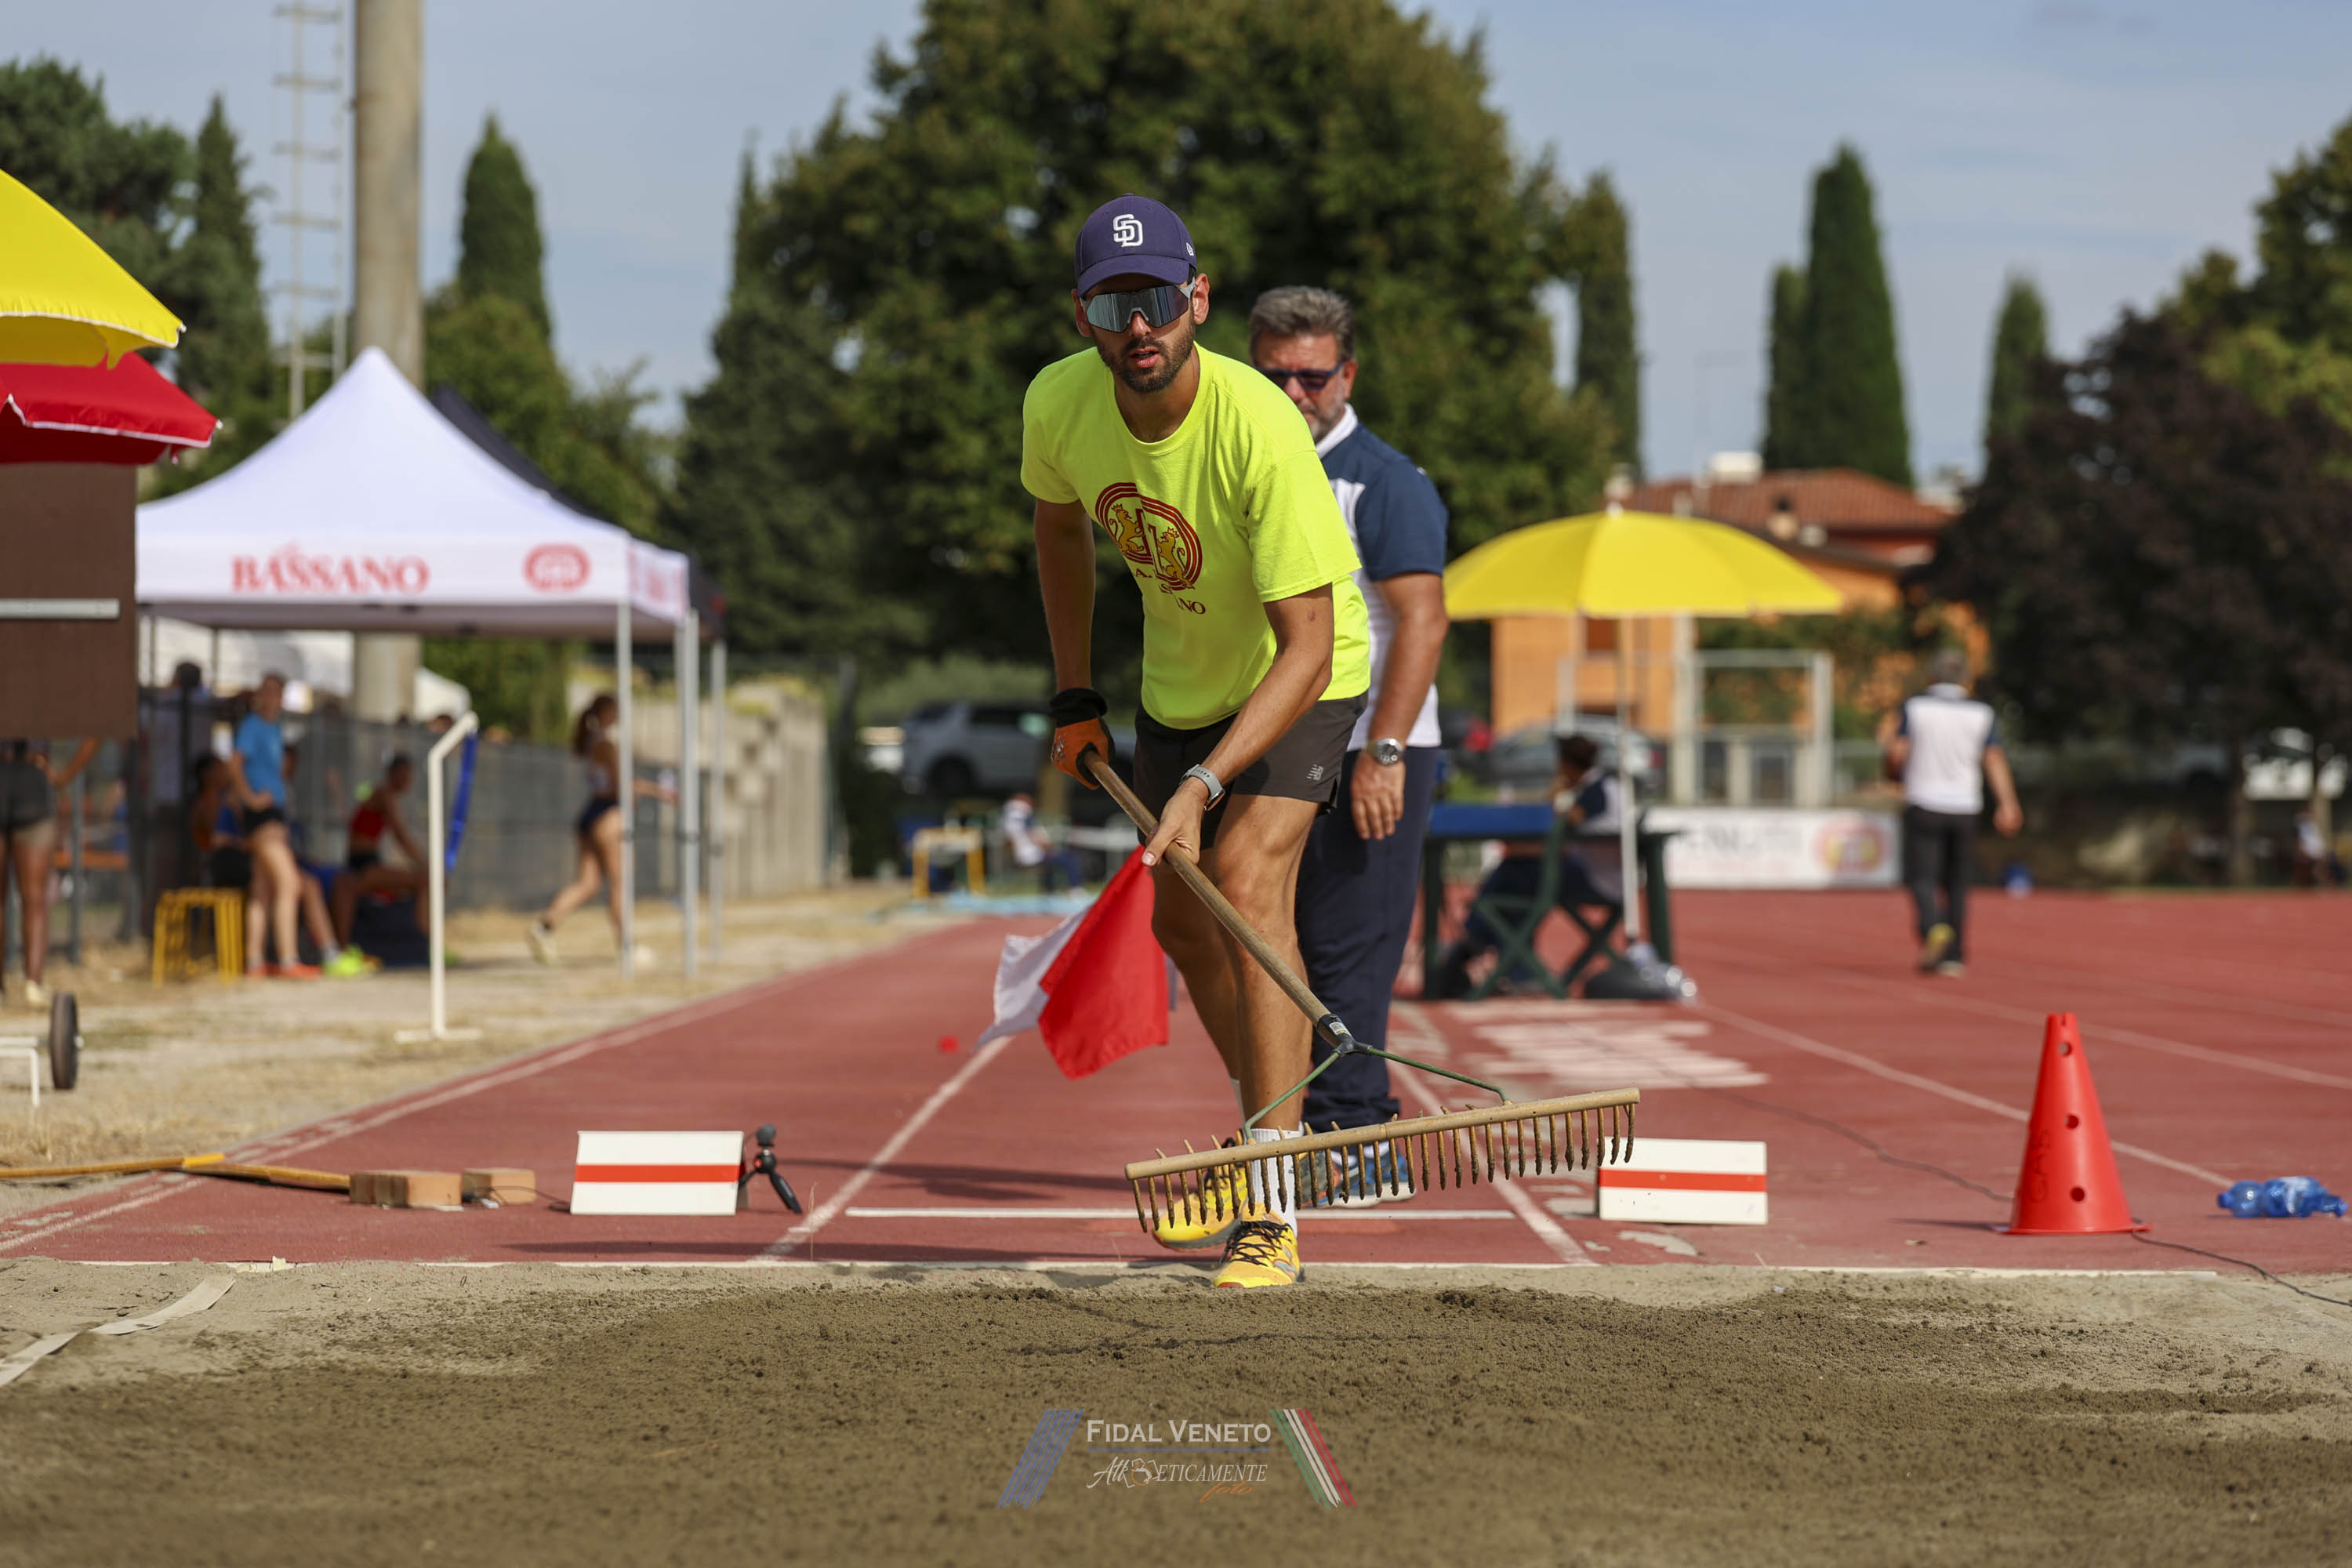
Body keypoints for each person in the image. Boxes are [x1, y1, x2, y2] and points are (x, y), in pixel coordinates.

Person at [1025, 194, 1372, 1289]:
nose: (1139, 325)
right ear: (1082, 315)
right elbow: (1057, 525)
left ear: (1199, 299)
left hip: (1302, 674)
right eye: (1112, 305)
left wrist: (1210, 783)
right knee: (1181, 917)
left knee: (1246, 881)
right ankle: (1274, 1124)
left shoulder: (1259, 426)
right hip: (1179, 686)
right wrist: (1074, 694)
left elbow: (1308, 646)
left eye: (1158, 300)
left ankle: (1270, 1199)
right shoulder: (1057, 404)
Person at [1249, 285, 1450, 1207]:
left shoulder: (1383, 481)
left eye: (1313, 377)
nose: (1295, 394)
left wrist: (1387, 751)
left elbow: (1422, 621)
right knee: (1272, 942)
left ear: (1348, 375)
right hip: (1284, 743)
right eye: (1275, 376)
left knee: (1349, 948)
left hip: (1372, 745)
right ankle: (1295, 1127)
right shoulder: (1253, 466)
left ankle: (1357, 1135)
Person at [1429, 735, 1621, 998]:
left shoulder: (1595, 791)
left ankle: (1478, 945)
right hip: (1597, 873)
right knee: (1516, 881)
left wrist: (1557, 792)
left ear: (1566, 764)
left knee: (1514, 879)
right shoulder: (1601, 787)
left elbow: (1559, 829)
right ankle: (1494, 955)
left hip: (1598, 879)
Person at [1882, 649, 2024, 977]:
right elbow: (1994, 758)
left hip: (1924, 802)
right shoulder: (1981, 712)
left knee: (1921, 876)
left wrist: (1891, 773)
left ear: (1931, 677)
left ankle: (1933, 927)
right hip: (1965, 806)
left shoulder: (1915, 707)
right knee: (1957, 883)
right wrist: (2008, 803)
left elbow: (1897, 752)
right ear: (1966, 680)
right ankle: (1954, 955)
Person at [528, 695, 672, 967]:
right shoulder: (605, 744)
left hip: (592, 813)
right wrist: (648, 794)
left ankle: (544, 927)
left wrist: (654, 791)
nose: (619, 715)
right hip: (608, 816)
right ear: (606, 712)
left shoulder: (593, 742)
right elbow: (620, 786)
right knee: (620, 884)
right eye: (615, 710)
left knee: (588, 884)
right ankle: (628, 946)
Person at [0, 737, 98, 1007]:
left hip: (32, 782)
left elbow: (94, 732)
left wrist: (64, 776)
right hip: (28, 780)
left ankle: (32, 984)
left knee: (34, 898)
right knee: (32, 899)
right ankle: (23, 986)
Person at [333, 753, 430, 946]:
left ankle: (420, 943)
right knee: (426, 881)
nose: (406, 781)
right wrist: (425, 864)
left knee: (422, 881)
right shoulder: (384, 794)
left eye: (408, 776)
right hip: (364, 864)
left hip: (368, 861)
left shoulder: (384, 796)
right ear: (391, 774)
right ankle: (425, 945)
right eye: (402, 775)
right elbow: (400, 835)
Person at [1000, 792, 1085, 892]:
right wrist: (1049, 847)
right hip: (1032, 856)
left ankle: (1049, 890)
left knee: (1050, 861)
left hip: (1025, 856)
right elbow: (1036, 839)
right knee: (1068, 857)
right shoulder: (1024, 818)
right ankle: (1075, 888)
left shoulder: (1008, 819)